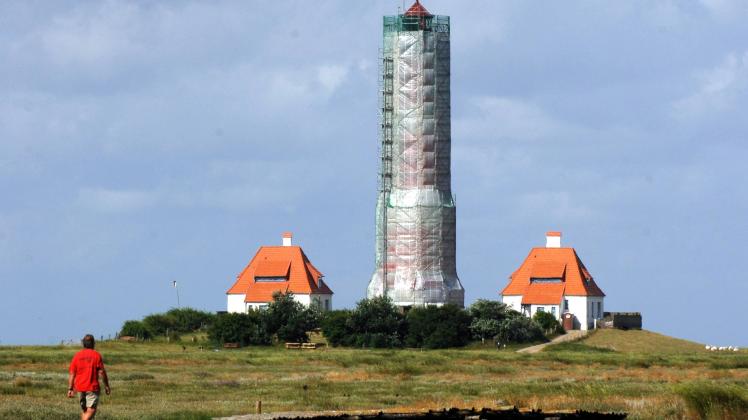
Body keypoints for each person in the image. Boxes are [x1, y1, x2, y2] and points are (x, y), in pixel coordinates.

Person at [67, 334, 110, 420]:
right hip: (92, 388)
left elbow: (72, 374)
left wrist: (70, 389)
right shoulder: (96, 355)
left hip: (79, 388)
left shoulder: (77, 356)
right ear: (93, 343)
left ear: (83, 343)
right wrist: (106, 385)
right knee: (91, 410)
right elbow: (101, 372)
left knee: (85, 411)